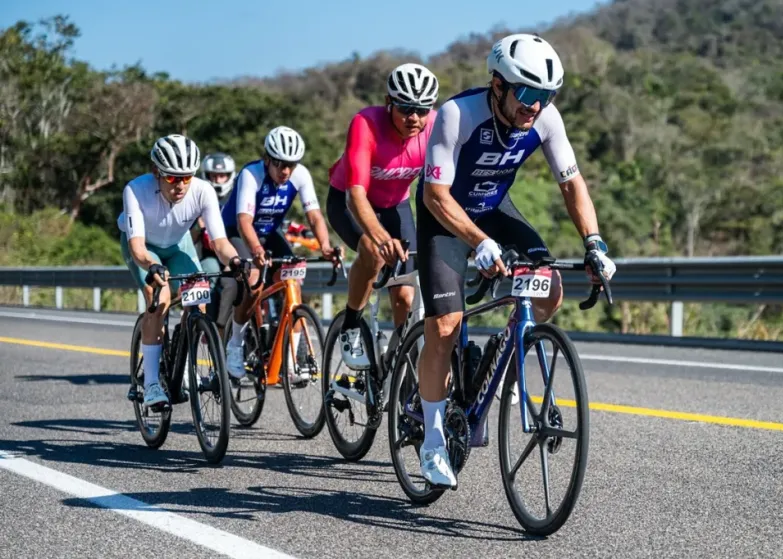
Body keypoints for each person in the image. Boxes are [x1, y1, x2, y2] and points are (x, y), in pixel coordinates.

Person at [414, 34, 617, 487]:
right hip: (444, 216)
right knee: (444, 327)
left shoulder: (545, 119)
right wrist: (479, 241)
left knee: (550, 287)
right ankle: (431, 439)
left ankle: (494, 366)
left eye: (546, 96)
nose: (535, 106)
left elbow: (571, 183)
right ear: (498, 85)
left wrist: (594, 243)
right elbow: (434, 195)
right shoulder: (457, 114)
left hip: (495, 208)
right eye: (526, 93)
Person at [117, 134, 249, 408]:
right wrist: (151, 266)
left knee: (199, 297)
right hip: (144, 248)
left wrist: (236, 261)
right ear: (156, 172)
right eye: (172, 178)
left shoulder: (202, 191)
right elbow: (138, 247)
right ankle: (152, 382)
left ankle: (185, 362)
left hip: (178, 244)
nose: (180, 185)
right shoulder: (136, 190)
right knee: (160, 296)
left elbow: (221, 241)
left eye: (186, 177)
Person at [326, 62, 439, 369]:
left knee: (404, 296)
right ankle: (351, 324)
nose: (413, 118)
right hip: (349, 202)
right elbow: (355, 195)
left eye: (422, 109)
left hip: (396, 206)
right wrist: (380, 238)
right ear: (389, 102)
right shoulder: (366, 123)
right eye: (405, 108)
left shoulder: (434, 127)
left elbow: (443, 190)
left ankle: (402, 363)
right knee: (373, 252)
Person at [220, 125, 338, 378]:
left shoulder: (300, 175)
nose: (286, 171)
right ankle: (236, 343)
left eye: (291, 165)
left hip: (269, 232)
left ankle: (291, 357)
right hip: (237, 231)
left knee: (292, 282)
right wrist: (256, 250)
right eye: (280, 164)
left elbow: (314, 216)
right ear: (267, 160)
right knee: (252, 281)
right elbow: (243, 221)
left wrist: (325, 246)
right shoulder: (251, 174)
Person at [192, 152, 237, 327]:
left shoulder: (236, 199)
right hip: (209, 255)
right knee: (208, 272)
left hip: (232, 253)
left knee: (232, 283)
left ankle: (222, 326)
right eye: (214, 176)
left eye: (222, 175)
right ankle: (205, 321)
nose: (218, 180)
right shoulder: (198, 197)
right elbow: (190, 238)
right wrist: (199, 226)